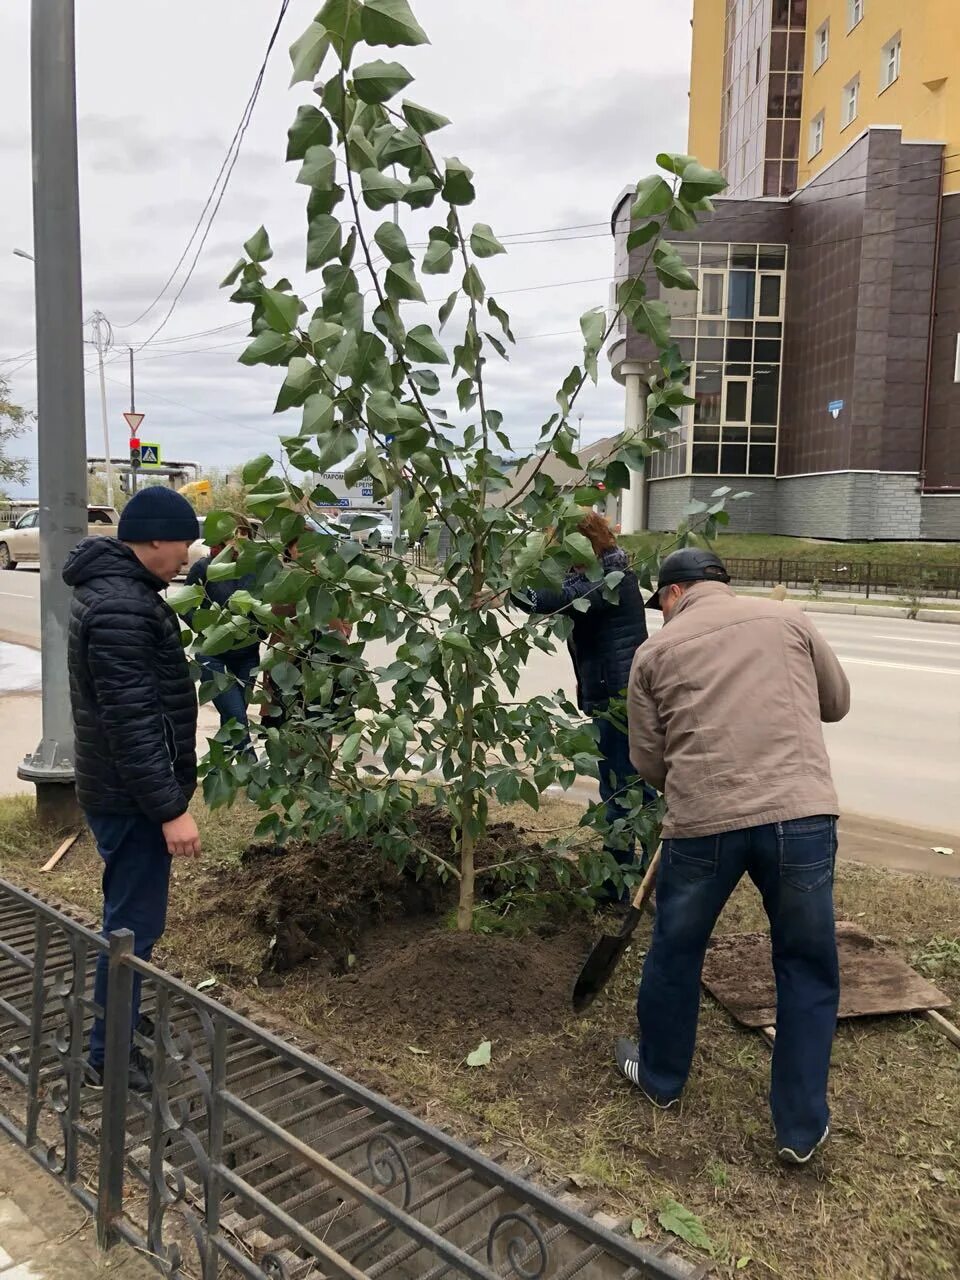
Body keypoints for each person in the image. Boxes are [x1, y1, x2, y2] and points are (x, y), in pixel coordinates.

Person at [619, 547, 851, 1164]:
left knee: (675, 951)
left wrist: (693, 782)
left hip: (701, 826)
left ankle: (662, 1080)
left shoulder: (654, 652)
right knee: (805, 964)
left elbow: (647, 760)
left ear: (672, 594)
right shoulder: (789, 621)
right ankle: (800, 1129)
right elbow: (836, 703)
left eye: (660, 606)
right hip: (800, 816)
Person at [63, 486, 202, 1094]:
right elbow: (132, 723)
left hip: (119, 792)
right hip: (132, 797)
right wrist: (171, 809)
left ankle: (116, 1017)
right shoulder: (123, 607)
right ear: (151, 539)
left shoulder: (122, 592)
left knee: (129, 916)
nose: (189, 555)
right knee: (132, 927)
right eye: (183, 542)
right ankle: (107, 1057)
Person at [509, 512, 655, 895]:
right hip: (616, 696)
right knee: (637, 788)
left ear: (584, 545)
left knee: (622, 789)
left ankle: (618, 884)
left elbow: (550, 600)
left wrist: (507, 584)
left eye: (563, 548)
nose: (559, 558)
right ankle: (651, 875)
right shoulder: (605, 573)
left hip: (619, 702)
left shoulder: (608, 581)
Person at [185, 522, 259, 751]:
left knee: (232, 717)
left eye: (243, 538)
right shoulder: (204, 569)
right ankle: (252, 772)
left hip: (247, 656)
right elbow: (186, 604)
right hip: (213, 655)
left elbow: (266, 606)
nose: (236, 544)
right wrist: (204, 628)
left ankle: (220, 772)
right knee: (236, 716)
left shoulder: (254, 570)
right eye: (232, 538)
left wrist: (259, 630)